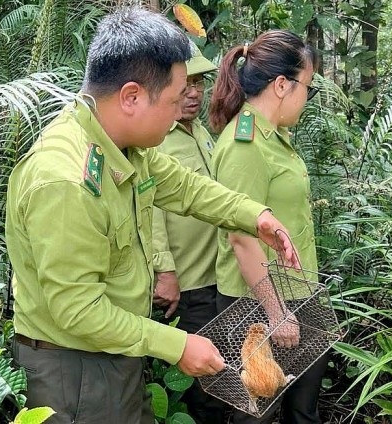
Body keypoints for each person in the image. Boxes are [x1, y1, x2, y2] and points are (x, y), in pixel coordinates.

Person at [5, 9, 300, 424]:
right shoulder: (66, 181)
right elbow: (77, 309)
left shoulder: (125, 148)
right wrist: (177, 345)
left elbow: (186, 188)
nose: (185, 106)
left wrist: (257, 217)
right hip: (75, 370)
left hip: (115, 352)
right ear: (131, 97)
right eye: (176, 98)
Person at [209, 30, 324, 424]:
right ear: (281, 85)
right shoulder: (246, 146)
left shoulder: (276, 139)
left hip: (298, 295)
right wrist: (276, 313)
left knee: (302, 410)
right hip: (257, 305)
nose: (307, 98)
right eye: (306, 86)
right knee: (255, 412)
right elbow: (241, 238)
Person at [151, 44, 226, 424]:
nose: (194, 92)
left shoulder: (201, 132)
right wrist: (165, 271)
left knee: (220, 368)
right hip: (187, 280)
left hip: (219, 274)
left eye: (199, 82)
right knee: (200, 383)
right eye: (186, 84)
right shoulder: (155, 138)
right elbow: (150, 211)